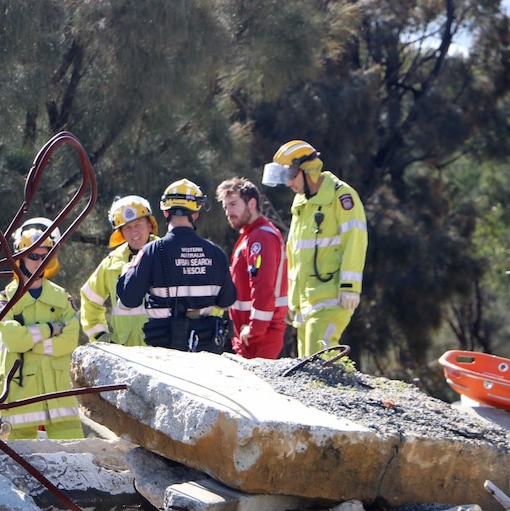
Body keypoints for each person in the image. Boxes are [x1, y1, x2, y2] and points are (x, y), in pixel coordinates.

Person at [262, 140, 368, 356]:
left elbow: (355, 241)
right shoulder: (301, 203)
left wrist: (350, 286)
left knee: (318, 361)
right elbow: (296, 254)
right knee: (308, 367)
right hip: (306, 303)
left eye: (290, 176)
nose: (288, 184)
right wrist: (293, 301)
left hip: (332, 298)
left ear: (307, 170)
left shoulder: (342, 196)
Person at [117, 179, 236, 353]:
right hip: (205, 350)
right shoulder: (215, 253)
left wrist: (128, 270)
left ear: (165, 213)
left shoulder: (150, 252)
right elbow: (226, 301)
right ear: (196, 213)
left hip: (164, 351)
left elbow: (127, 301)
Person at [0, 217, 83, 439]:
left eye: (45, 256)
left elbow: (70, 340)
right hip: (20, 395)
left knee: (76, 460)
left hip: (59, 395)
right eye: (33, 256)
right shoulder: (6, 298)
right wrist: (50, 329)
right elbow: (13, 339)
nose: (40, 261)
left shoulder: (61, 297)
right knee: (21, 462)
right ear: (20, 258)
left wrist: (29, 343)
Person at [216, 177, 289, 359]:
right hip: (252, 335)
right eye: (226, 207)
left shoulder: (260, 237)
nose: (228, 212)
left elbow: (263, 286)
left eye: (233, 205)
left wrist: (255, 329)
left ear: (252, 203)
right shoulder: (252, 235)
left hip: (259, 338)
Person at [80, 195, 160, 345]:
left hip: (162, 348)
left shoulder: (167, 254)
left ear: (150, 225)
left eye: (138, 225)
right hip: (125, 352)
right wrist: (100, 337)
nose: (133, 232)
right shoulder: (111, 263)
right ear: (121, 233)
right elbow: (89, 299)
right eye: (127, 228)